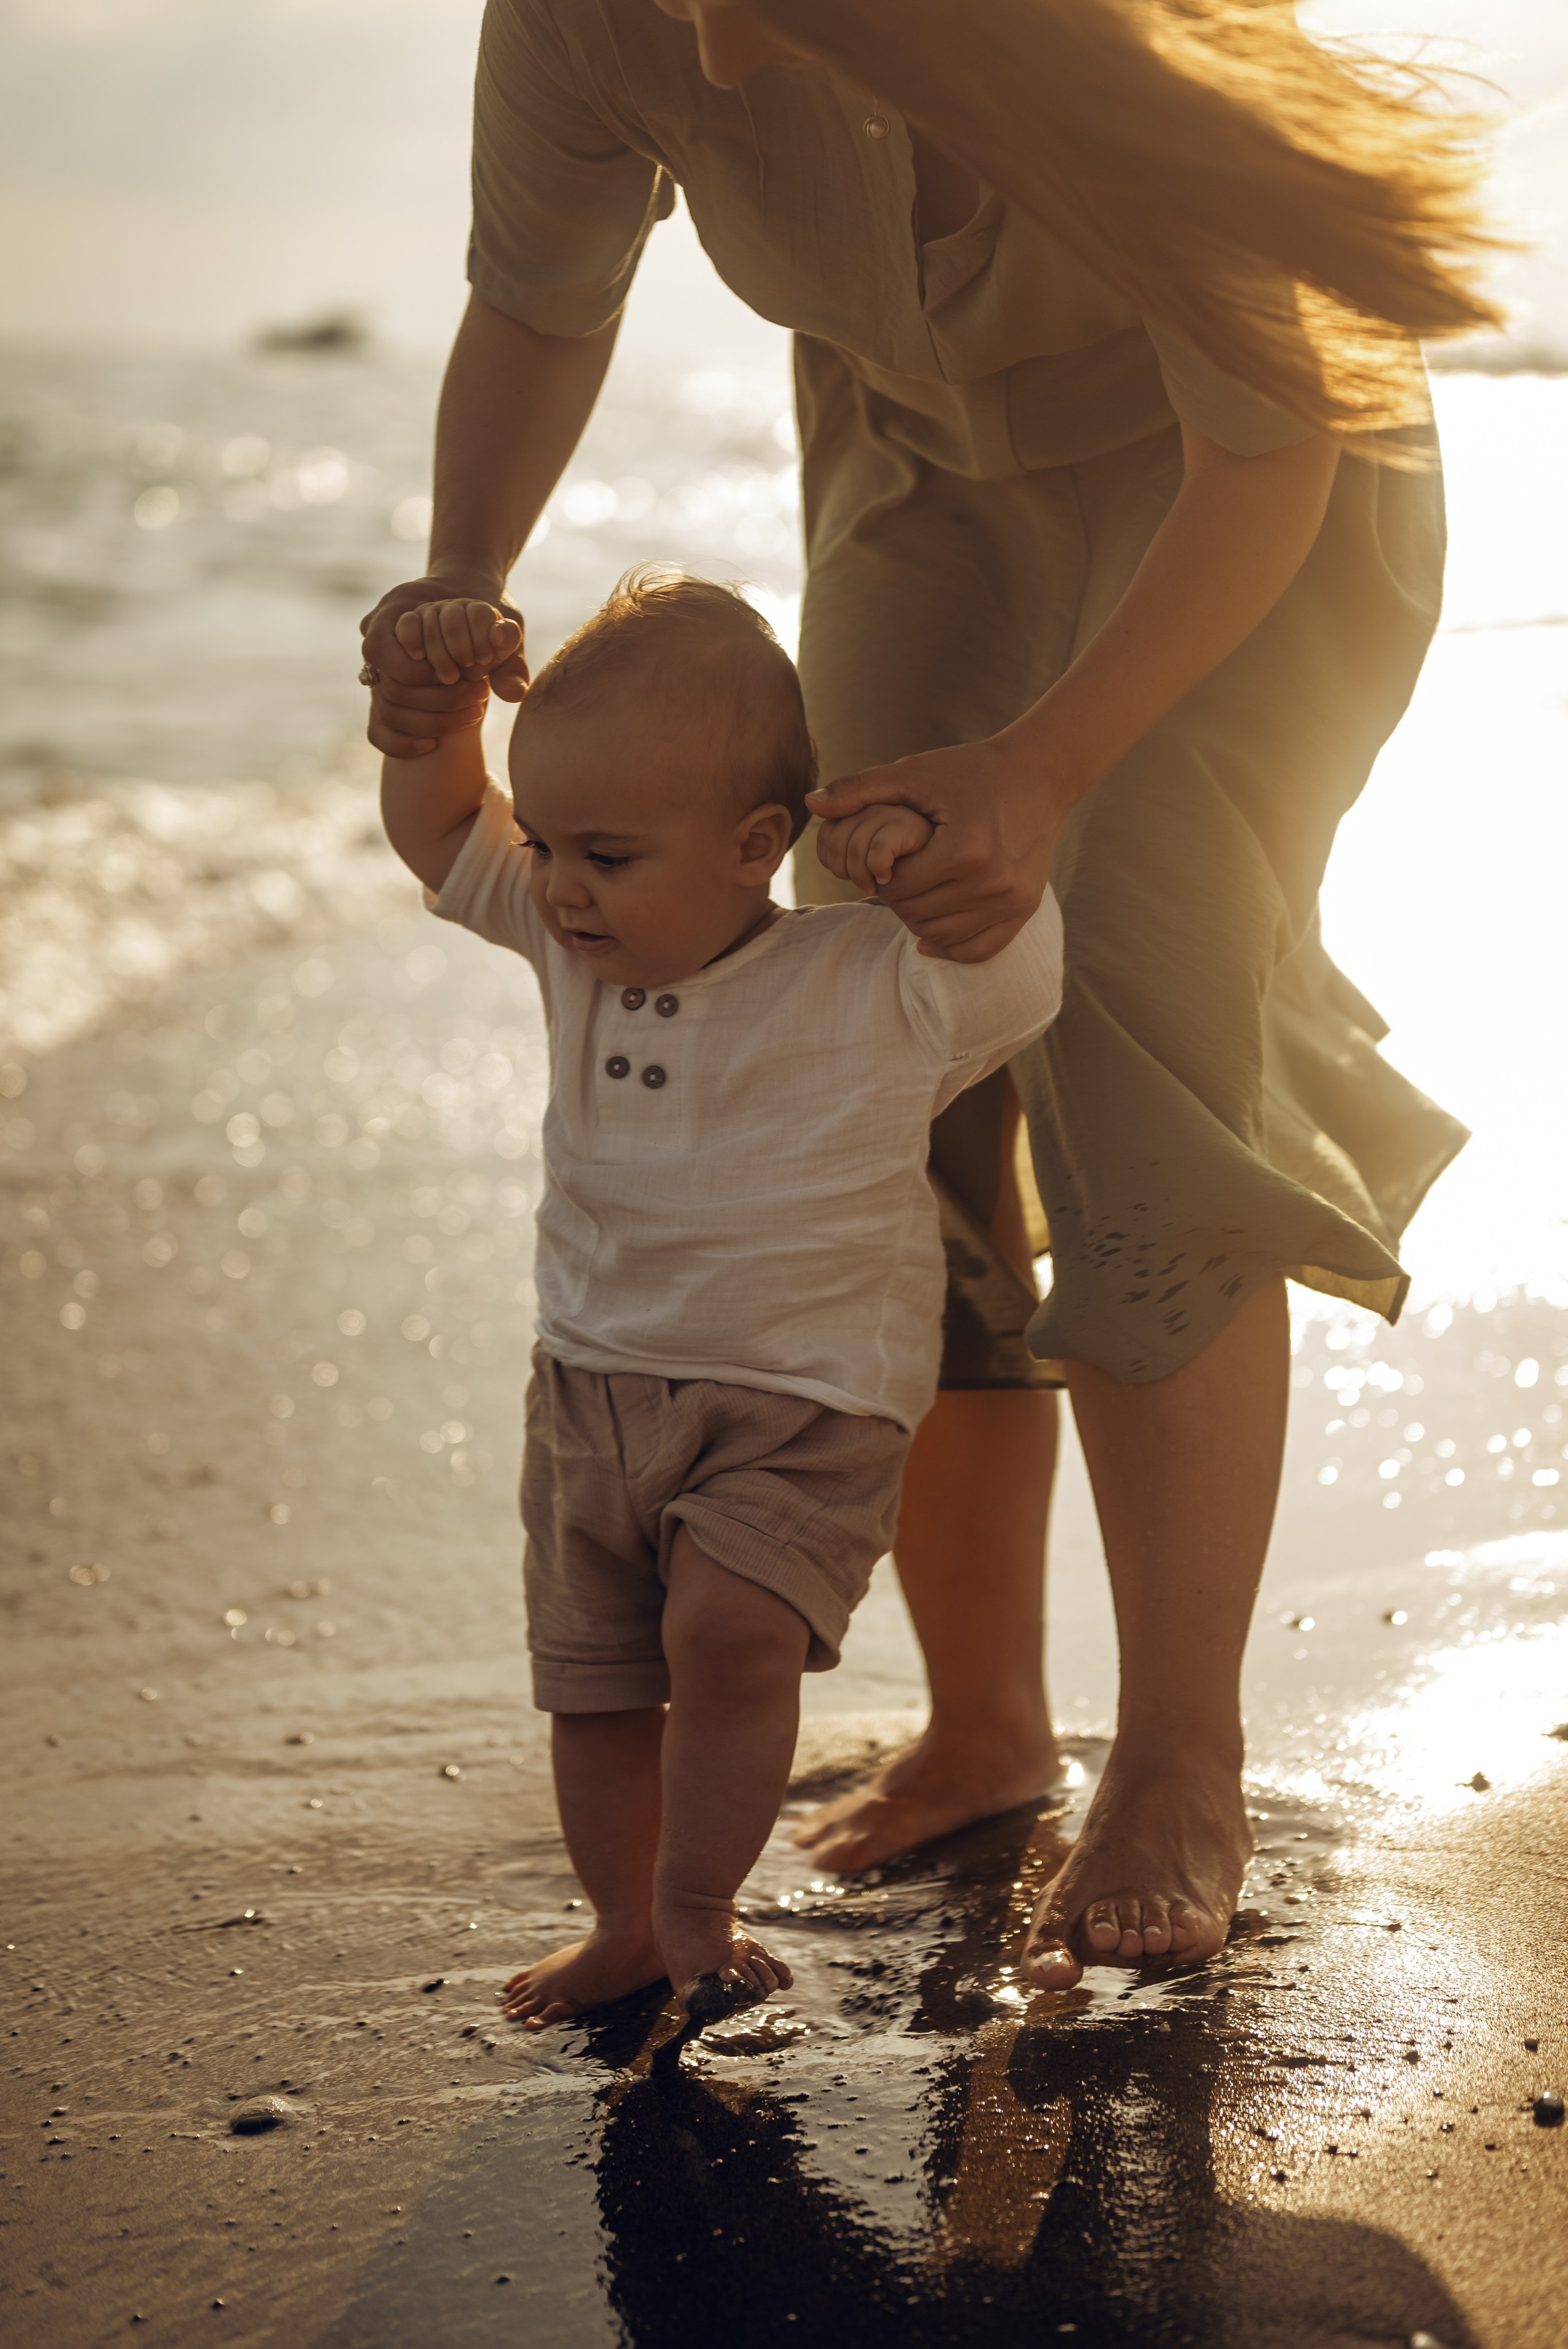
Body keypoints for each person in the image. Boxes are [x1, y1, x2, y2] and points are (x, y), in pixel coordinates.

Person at [360, 0, 1497, 1986]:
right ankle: (986, 1719)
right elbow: (542, 297)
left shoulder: (1124, 37)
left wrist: (1049, 768)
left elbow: (1268, 436)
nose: (708, 66)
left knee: (1130, 991)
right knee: (877, 1005)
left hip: (1244, 489)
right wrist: (457, 579)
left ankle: (1175, 1751)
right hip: (915, 468)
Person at [377, 569, 1063, 2024]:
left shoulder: (866, 976)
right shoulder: (579, 953)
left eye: (609, 854)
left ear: (757, 845)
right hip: (591, 1386)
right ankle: (626, 1920)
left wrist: (927, 860)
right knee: (600, 1676)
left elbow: (1017, 971)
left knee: (730, 1636)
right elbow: (445, 828)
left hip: (804, 1397)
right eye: (550, 839)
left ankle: (699, 1902)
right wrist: (419, 726)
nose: (560, 882)